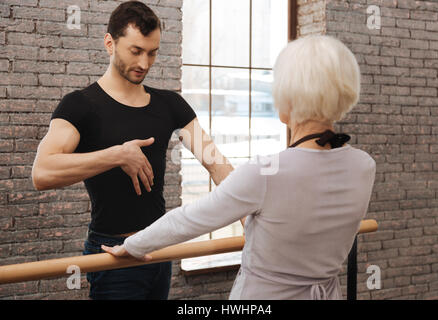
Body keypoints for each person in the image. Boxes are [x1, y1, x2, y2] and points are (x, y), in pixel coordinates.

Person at [102, 35, 377, 300]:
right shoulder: (364, 166)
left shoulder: (267, 173)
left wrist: (131, 246)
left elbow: (188, 220)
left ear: (290, 95)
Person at [31, 1, 233, 300]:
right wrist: (117, 155)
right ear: (109, 43)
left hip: (158, 250)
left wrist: (252, 218)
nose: (144, 63)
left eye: (152, 53)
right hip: (114, 256)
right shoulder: (80, 105)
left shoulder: (170, 104)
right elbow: (42, 173)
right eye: (135, 51)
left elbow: (216, 164)